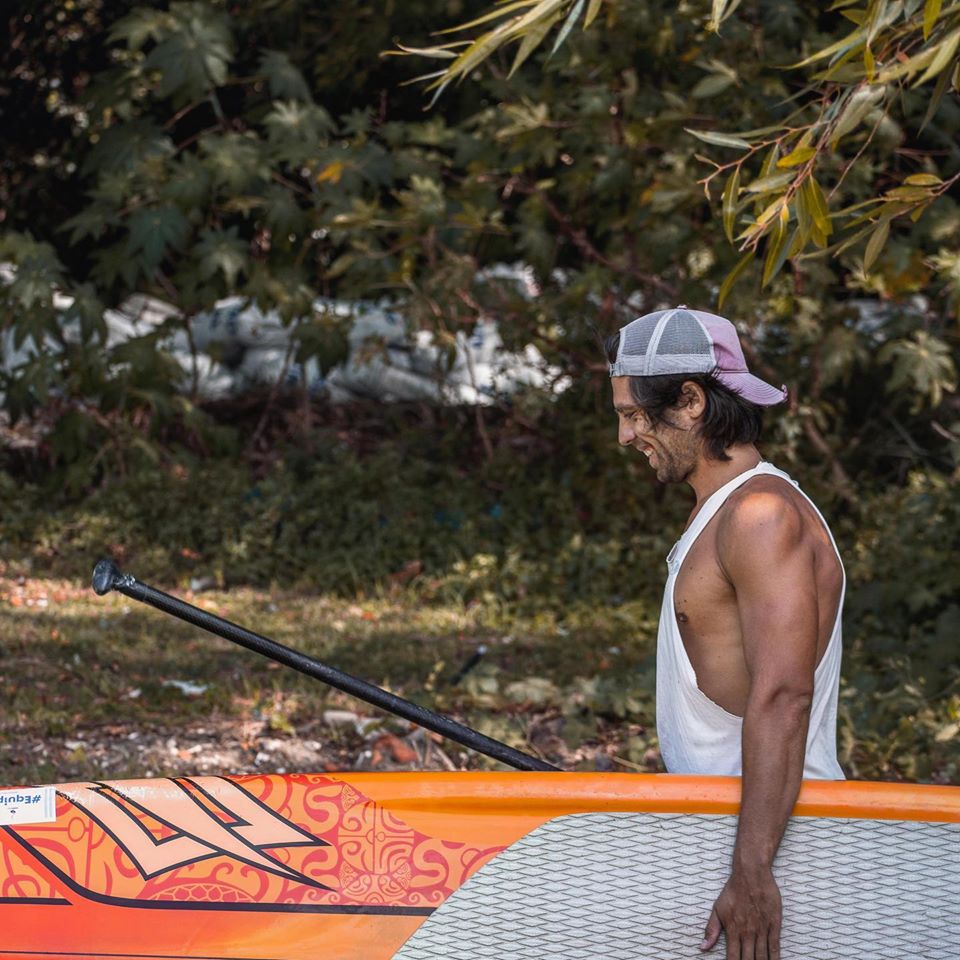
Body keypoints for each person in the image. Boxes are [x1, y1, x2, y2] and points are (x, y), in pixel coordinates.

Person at [606, 306, 845, 960]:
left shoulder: (760, 516)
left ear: (689, 402)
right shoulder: (726, 512)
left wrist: (753, 872)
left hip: (780, 862)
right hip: (733, 845)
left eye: (633, 415)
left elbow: (784, 695)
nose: (625, 437)